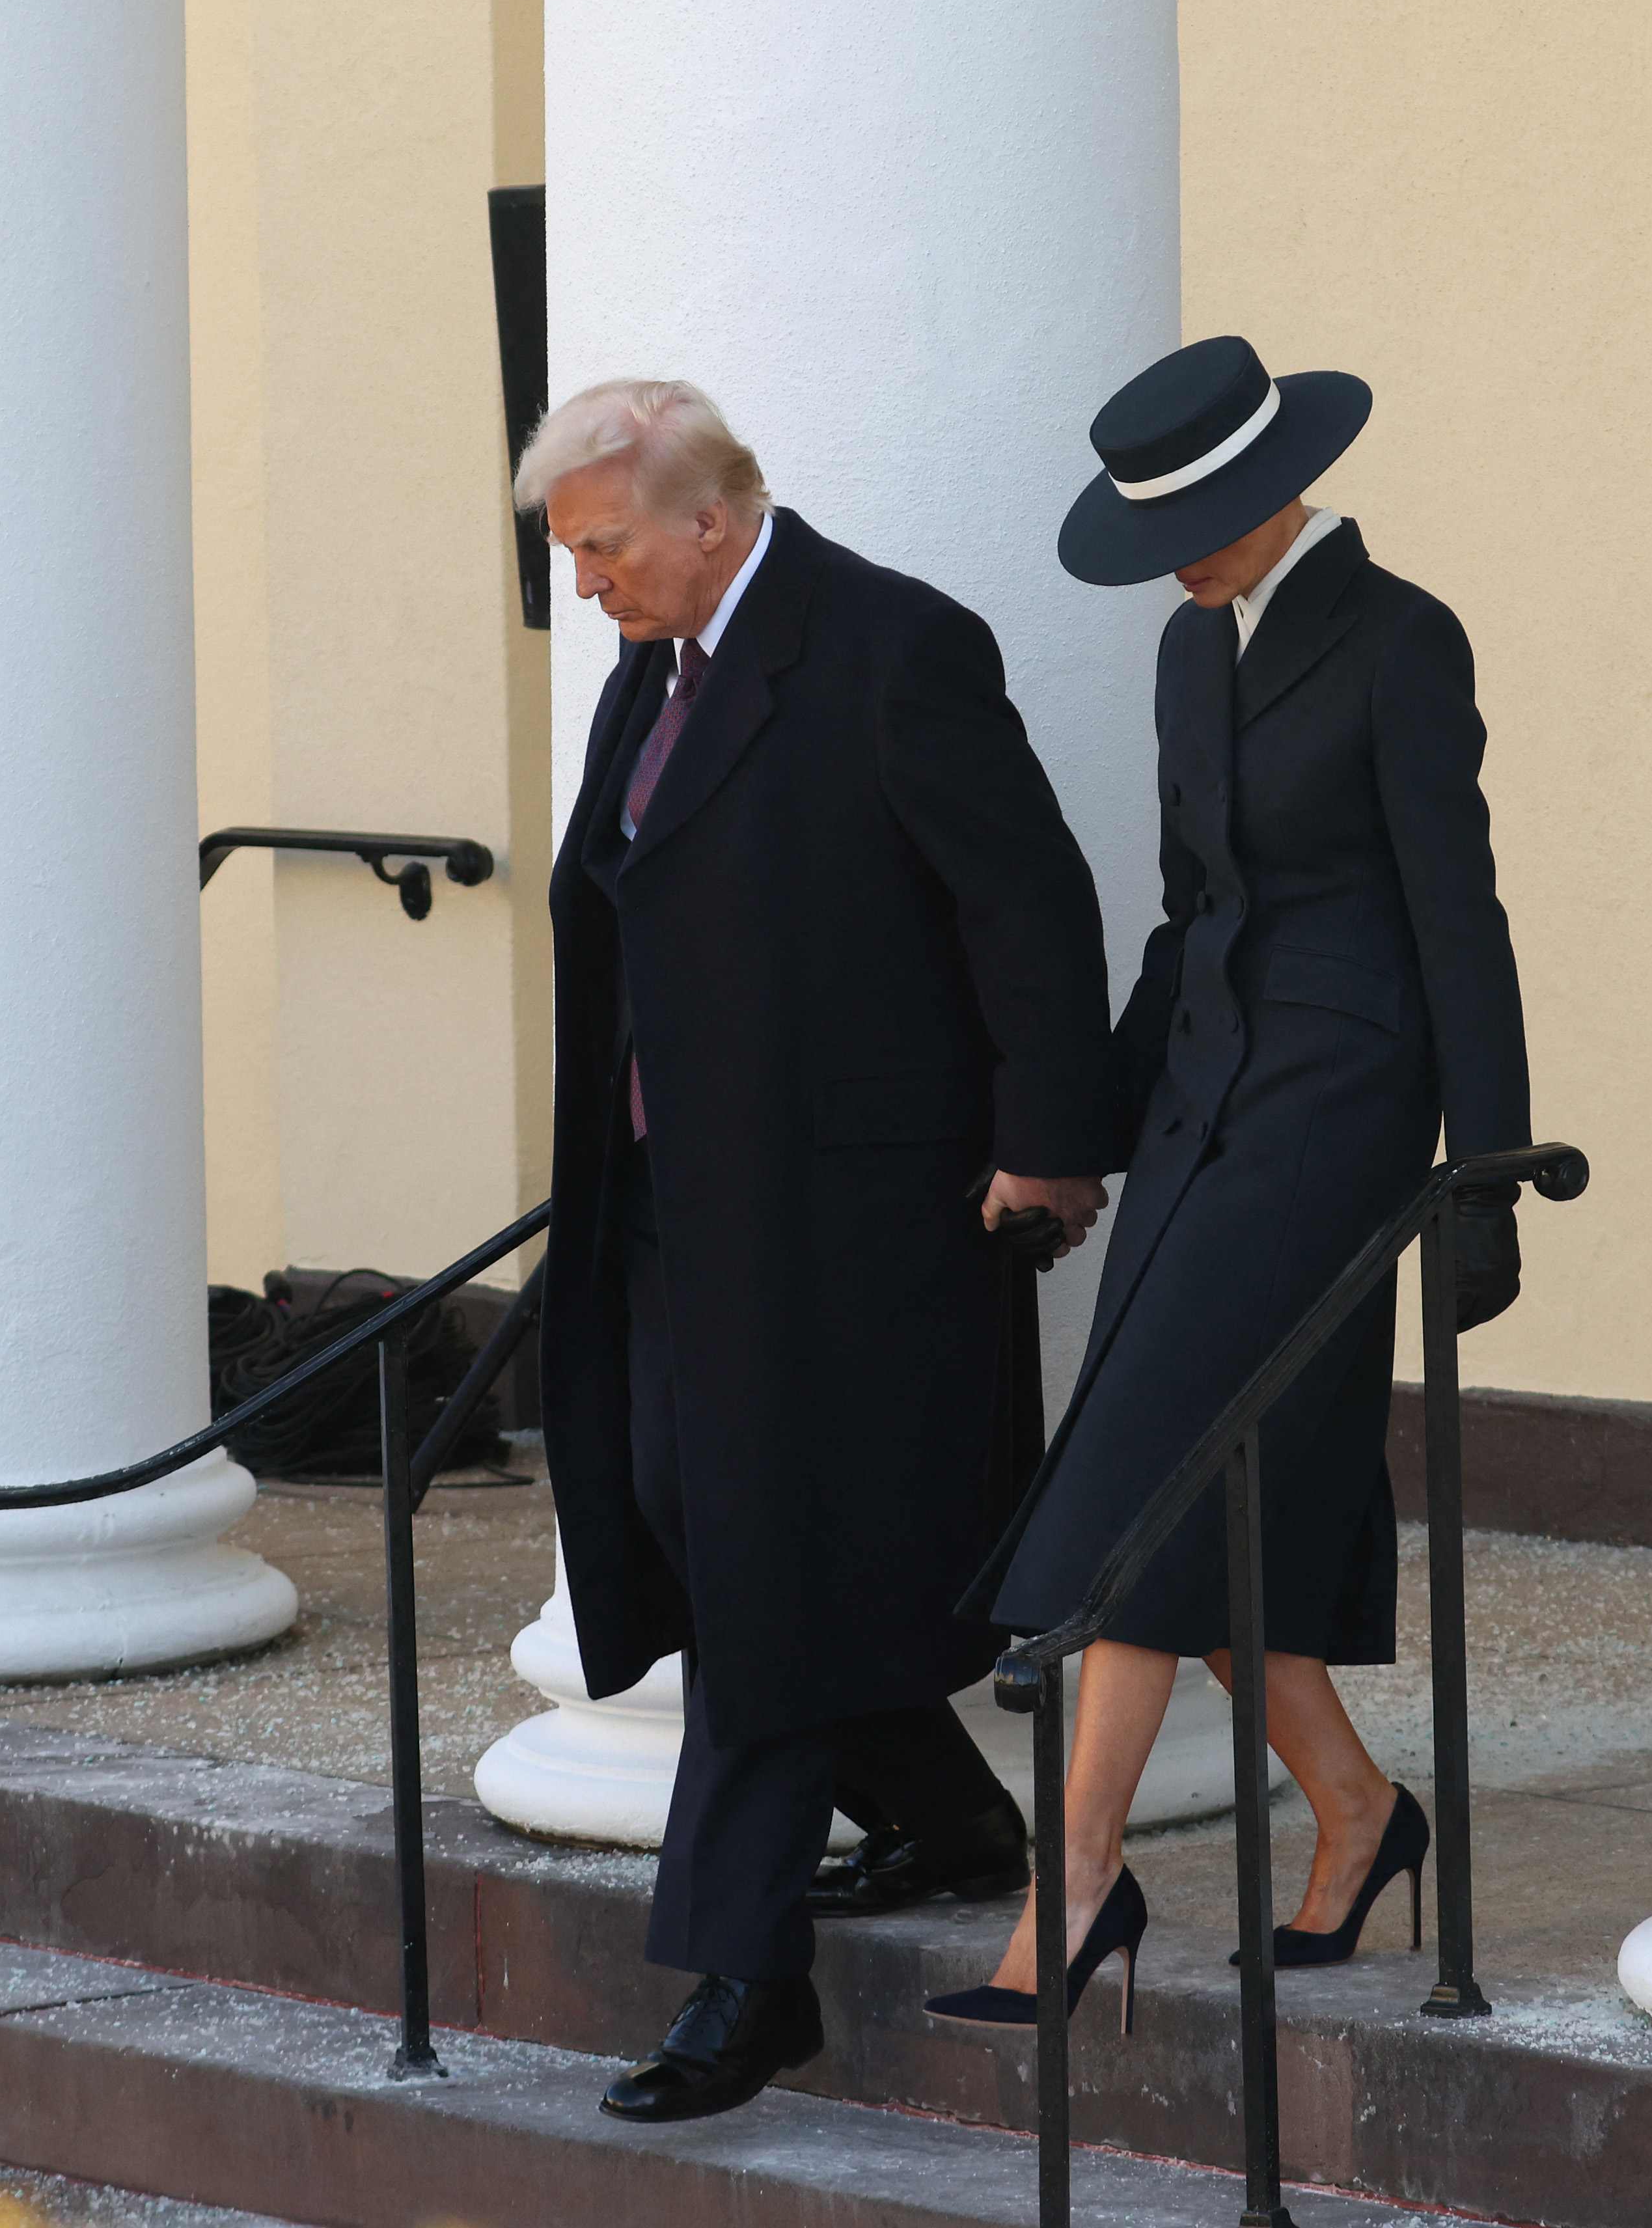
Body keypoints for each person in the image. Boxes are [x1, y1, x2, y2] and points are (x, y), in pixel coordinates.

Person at [518, 378, 1120, 2122]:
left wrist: (1046, 1141)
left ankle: (742, 1975)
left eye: (604, 548)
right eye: (568, 556)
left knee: (770, 1564)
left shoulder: (890, 647)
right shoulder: (655, 665)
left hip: (844, 1216)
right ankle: (945, 1815)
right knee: (666, 1510)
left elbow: (1025, 897)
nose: (588, 589)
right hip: (665, 1203)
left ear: (710, 519)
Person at [934, 333, 1529, 2028]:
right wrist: (1078, 1129)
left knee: (1140, 1484)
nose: (1175, 555)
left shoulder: (1402, 640)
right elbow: (1189, 916)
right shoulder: (1191, 650)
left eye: (1193, 516)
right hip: (1203, 1112)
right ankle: (1354, 1810)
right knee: (1208, 1502)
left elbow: (1457, 916)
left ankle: (1075, 1888)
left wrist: (1478, 1165)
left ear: (1276, 483)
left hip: (1333, 1122)